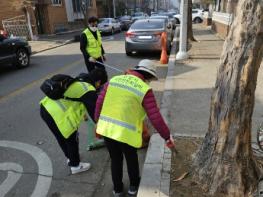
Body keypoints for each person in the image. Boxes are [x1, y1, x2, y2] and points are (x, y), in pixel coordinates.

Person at [94, 59, 175, 196]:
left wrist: (97, 121)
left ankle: (118, 190)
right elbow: (155, 117)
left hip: (107, 129)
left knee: (115, 160)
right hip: (127, 134)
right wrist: (167, 136)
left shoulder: (113, 81)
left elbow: (99, 102)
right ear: (148, 76)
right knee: (131, 159)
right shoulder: (144, 89)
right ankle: (133, 188)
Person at [40, 68, 108, 175]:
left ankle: (70, 159)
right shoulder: (88, 89)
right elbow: (96, 115)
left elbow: (76, 97)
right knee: (71, 138)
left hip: (45, 109)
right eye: (100, 84)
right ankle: (76, 166)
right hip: (58, 114)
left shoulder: (80, 79)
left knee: (61, 137)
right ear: (98, 82)